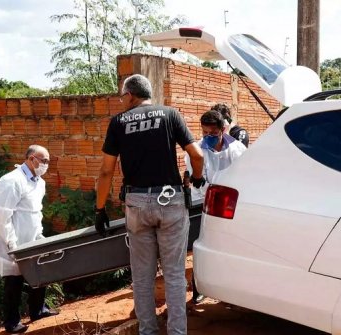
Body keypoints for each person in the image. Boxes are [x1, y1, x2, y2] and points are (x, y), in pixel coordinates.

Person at [95, 74, 204, 335]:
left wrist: (99, 209)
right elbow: (196, 155)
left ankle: (148, 331)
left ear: (131, 95)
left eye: (122, 96)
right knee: (175, 275)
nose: (122, 101)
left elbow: (106, 172)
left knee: (142, 277)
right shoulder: (170, 114)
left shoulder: (118, 122)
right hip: (171, 201)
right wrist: (197, 178)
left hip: (137, 204)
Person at [0, 145, 58, 334]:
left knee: (40, 271)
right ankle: (12, 322)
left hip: (32, 238)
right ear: (31, 158)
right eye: (43, 160)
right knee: (14, 280)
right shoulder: (12, 181)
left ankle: (38, 310)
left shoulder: (39, 182)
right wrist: (11, 243)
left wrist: (39, 235)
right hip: (12, 239)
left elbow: (36, 213)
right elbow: (3, 216)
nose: (46, 165)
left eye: (48, 161)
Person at [185, 109, 247, 304]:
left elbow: (243, 177)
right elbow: (198, 180)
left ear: (222, 130)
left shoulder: (237, 149)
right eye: (204, 133)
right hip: (205, 203)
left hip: (231, 204)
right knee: (203, 246)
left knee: (231, 245)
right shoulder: (197, 151)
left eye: (212, 133)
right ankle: (199, 288)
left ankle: (232, 288)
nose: (208, 137)